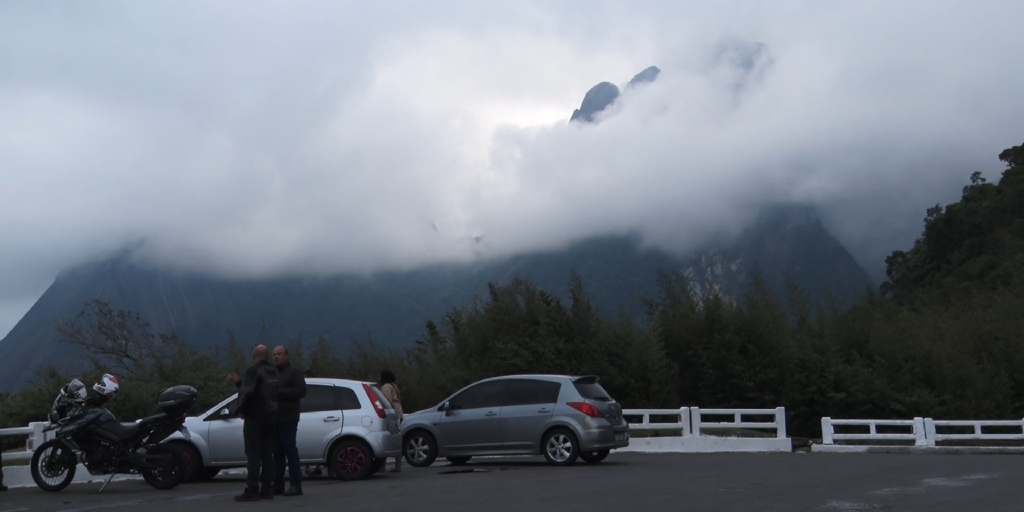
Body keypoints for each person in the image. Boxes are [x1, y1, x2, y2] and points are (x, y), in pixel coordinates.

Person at [228, 344, 279, 502]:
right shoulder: (274, 371)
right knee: (267, 455)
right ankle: (268, 489)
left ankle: (252, 489)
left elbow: (248, 392)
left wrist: (242, 410)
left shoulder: (253, 371)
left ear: (254, 356)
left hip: (255, 418)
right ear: (268, 356)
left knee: (253, 455)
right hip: (271, 417)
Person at [271, 346, 306, 496]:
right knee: (277, 453)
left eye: (279, 354)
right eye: (273, 354)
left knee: (290, 451)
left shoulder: (294, 372)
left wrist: (279, 392)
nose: (276, 357)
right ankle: (278, 485)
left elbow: (301, 391)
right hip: (274, 418)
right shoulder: (273, 373)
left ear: (286, 355)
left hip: (288, 418)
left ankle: (296, 484)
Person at [378, 370, 403, 473]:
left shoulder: (386, 387)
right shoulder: (394, 386)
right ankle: (398, 465)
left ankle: (382, 466)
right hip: (399, 412)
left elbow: (386, 401)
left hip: (392, 414)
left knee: (386, 438)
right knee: (396, 438)